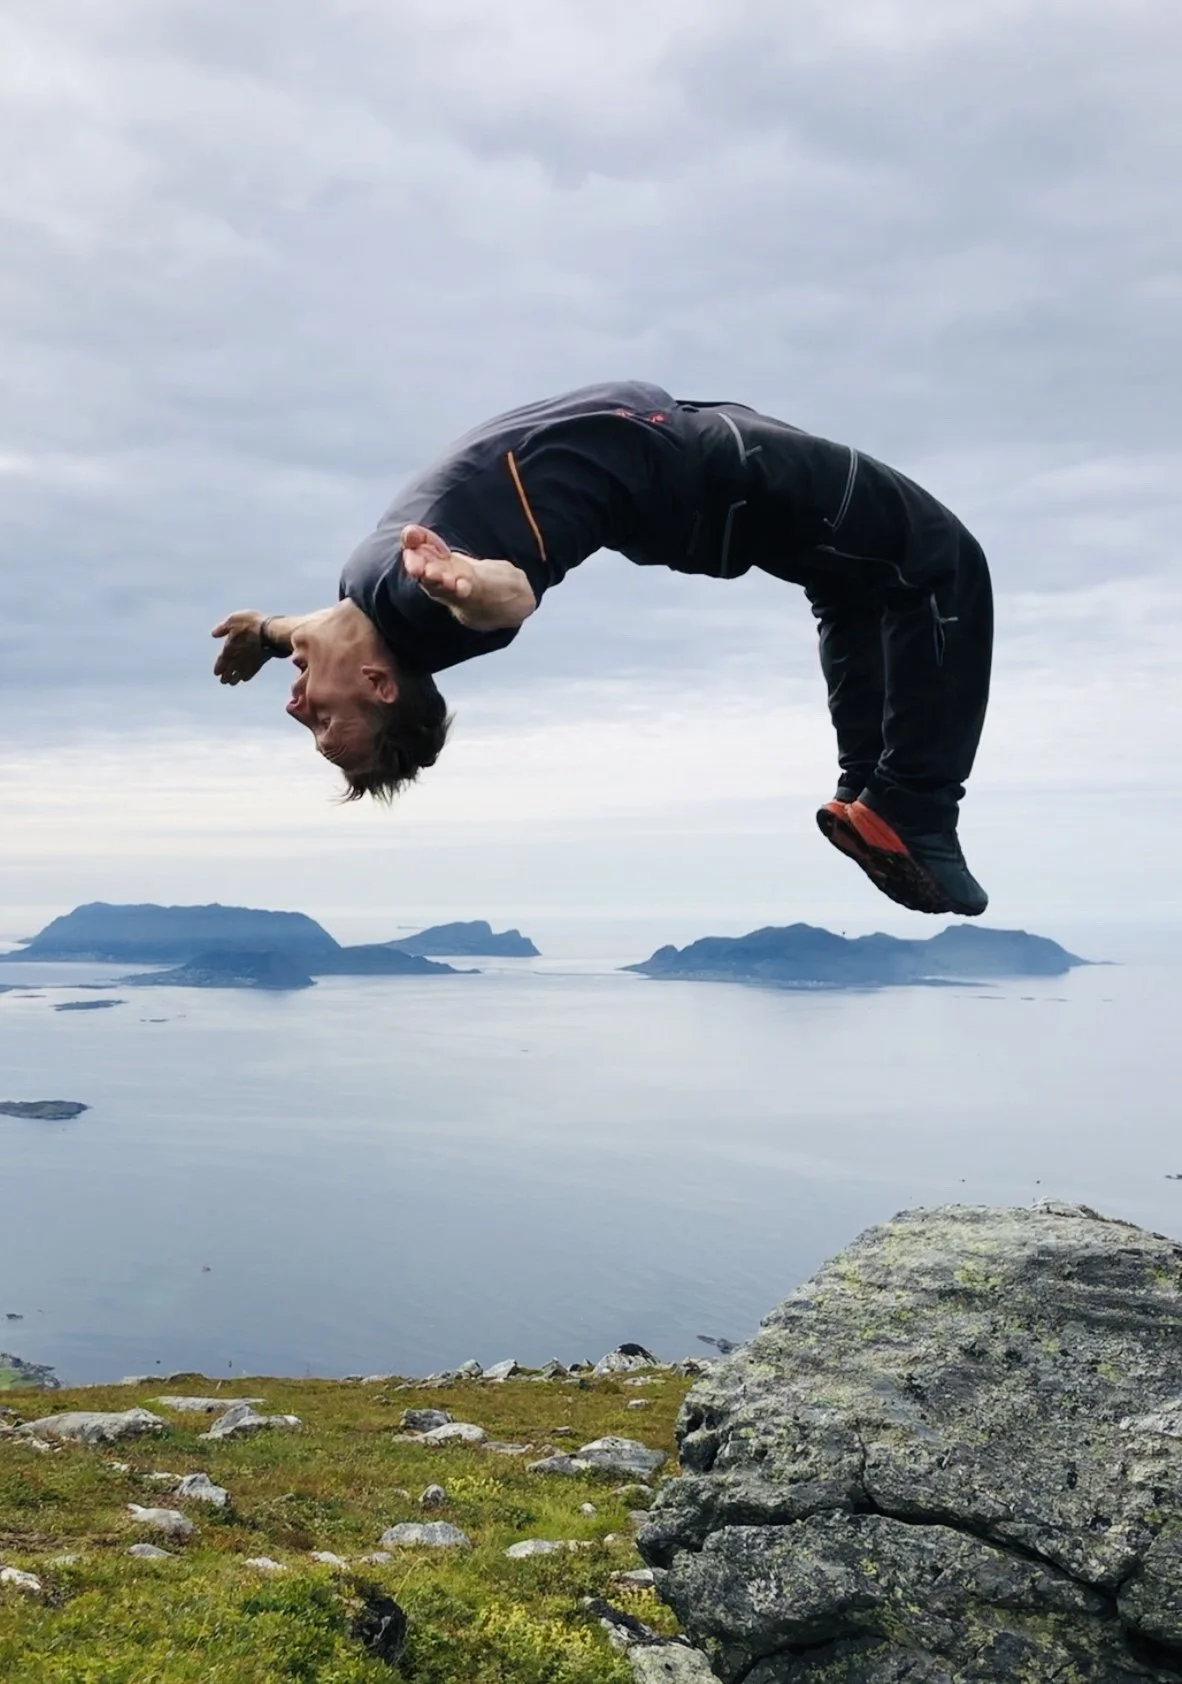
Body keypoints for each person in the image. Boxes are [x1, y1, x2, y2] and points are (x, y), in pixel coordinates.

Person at [213, 381, 992, 916]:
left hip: (682, 488)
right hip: (706, 470)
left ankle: (865, 795)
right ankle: (917, 809)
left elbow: (307, 633)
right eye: (323, 727)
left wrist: (262, 630)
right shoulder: (422, 608)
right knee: (943, 558)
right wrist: (469, 584)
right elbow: (509, 598)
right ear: (380, 686)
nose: (295, 708)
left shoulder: (354, 616)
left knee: (854, 582)